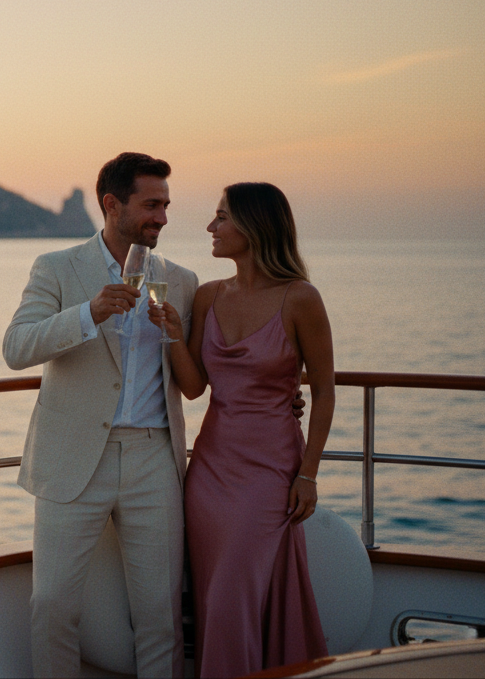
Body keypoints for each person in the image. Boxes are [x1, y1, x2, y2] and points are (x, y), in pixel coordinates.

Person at [3, 152, 196, 678]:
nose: (162, 217)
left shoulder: (181, 281)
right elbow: (16, 348)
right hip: (71, 459)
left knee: (161, 616)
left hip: (154, 458)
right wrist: (88, 312)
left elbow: (198, 374)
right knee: (52, 606)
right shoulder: (57, 267)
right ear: (112, 205)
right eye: (151, 205)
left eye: (165, 205)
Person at [148, 182, 333, 677]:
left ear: (255, 226)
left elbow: (324, 393)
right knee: (217, 600)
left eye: (222, 217)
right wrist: (171, 334)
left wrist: (308, 474)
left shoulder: (300, 298)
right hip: (210, 473)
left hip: (271, 473)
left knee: (234, 597)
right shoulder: (208, 296)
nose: (211, 226)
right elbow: (193, 388)